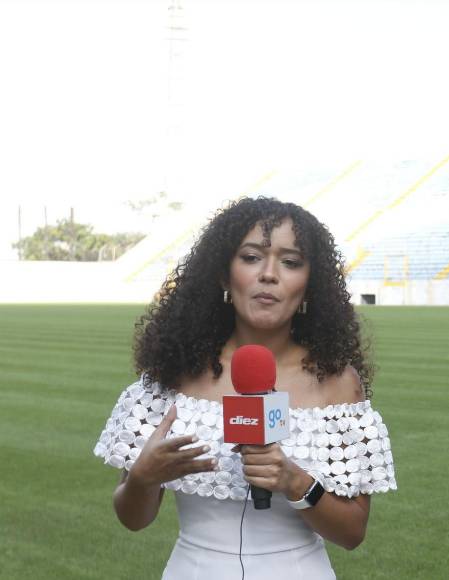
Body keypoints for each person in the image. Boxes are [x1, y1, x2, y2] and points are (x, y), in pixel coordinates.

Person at [93, 197, 396, 579]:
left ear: (309, 284)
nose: (269, 274)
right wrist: (142, 477)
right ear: (224, 274)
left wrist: (294, 481)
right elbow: (133, 519)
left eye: (291, 262)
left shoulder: (337, 382)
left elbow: (353, 532)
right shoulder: (173, 373)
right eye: (251, 257)